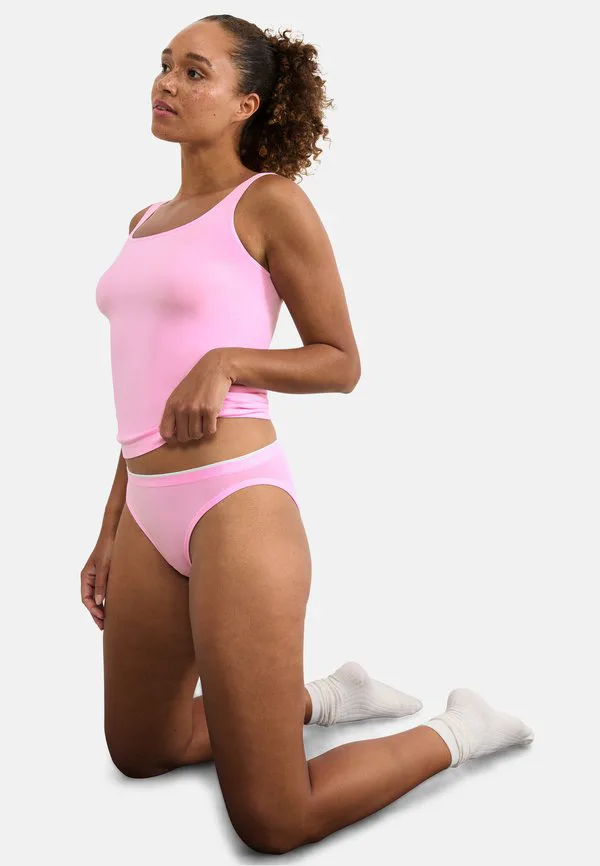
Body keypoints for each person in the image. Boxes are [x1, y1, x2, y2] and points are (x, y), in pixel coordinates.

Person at [83, 14, 534, 855]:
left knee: (273, 820)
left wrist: (228, 362)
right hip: (146, 507)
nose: (167, 83)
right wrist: (110, 526)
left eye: (195, 72)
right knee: (141, 751)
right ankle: (328, 697)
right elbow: (141, 392)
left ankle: (459, 731)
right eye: (165, 65)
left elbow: (341, 361)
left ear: (246, 103)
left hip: (234, 506)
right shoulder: (143, 219)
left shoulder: (269, 203)